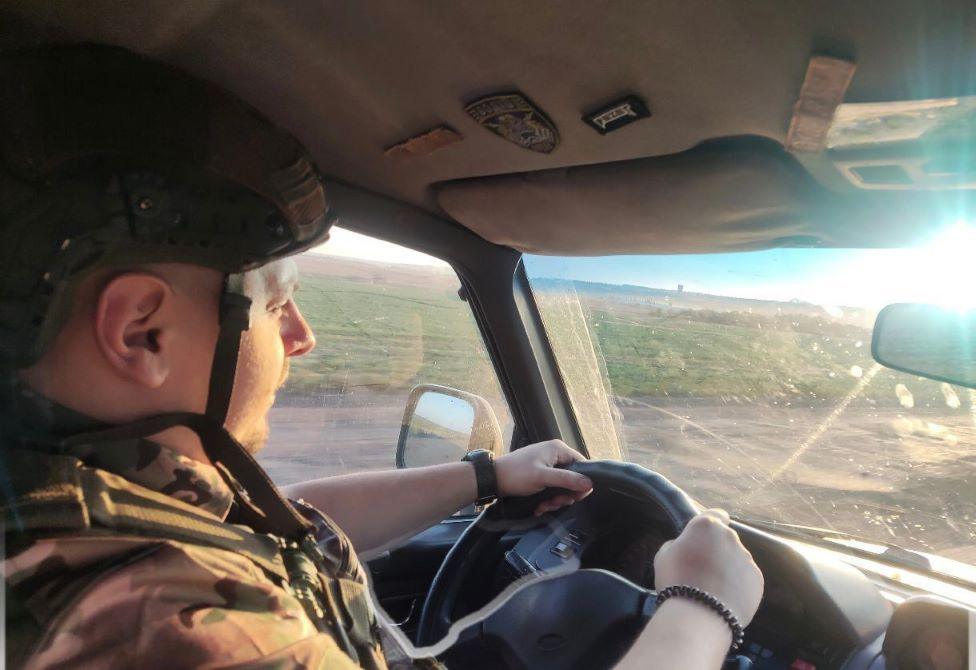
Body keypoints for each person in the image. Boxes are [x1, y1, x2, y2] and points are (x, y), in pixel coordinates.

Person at [0, 44, 762, 669]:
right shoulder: (182, 632)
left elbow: (287, 523)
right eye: (272, 305)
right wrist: (701, 610)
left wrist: (487, 475)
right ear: (143, 334)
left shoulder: (82, 495)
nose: (301, 337)